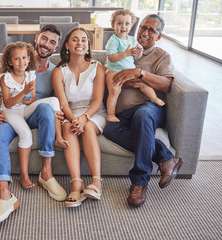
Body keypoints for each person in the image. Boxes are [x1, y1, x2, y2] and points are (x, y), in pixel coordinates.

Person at [0, 25, 67, 226]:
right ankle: (4, 194)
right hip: (10, 112)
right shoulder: (6, 69)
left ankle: (46, 174)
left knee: (48, 108)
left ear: (56, 47)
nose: (46, 44)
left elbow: (46, 100)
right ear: (37, 38)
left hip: (32, 111)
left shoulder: (54, 70)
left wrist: (59, 112)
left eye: (52, 42)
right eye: (44, 39)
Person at [103, 14, 183, 207]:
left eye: (152, 30)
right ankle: (166, 158)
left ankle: (139, 182)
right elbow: (111, 66)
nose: (145, 33)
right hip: (124, 114)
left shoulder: (163, 56)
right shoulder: (125, 45)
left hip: (150, 108)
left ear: (159, 36)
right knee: (109, 129)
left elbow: (165, 84)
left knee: (143, 114)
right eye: (143, 28)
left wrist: (140, 74)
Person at [52, 27, 107, 208]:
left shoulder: (97, 67)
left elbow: (98, 100)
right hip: (71, 113)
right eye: (75, 40)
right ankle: (76, 184)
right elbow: (63, 104)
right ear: (67, 45)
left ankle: (96, 181)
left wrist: (84, 118)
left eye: (84, 40)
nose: (80, 43)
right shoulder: (59, 71)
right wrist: (74, 119)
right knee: (67, 127)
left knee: (89, 127)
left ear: (88, 46)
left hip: (94, 113)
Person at [105, 9, 164, 122]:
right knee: (114, 91)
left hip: (129, 70)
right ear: (113, 25)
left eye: (127, 23)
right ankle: (111, 114)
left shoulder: (132, 39)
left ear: (131, 26)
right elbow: (111, 58)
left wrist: (139, 51)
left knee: (143, 83)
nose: (123, 26)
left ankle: (153, 98)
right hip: (114, 70)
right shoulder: (113, 40)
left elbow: (137, 53)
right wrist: (126, 53)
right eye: (119, 23)